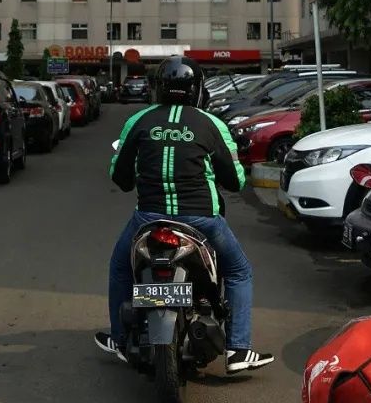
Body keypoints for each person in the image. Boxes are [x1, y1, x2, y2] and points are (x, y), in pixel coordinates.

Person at [95, 55, 274, 373]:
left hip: (148, 219)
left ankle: (120, 339)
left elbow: (120, 177)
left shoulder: (139, 121)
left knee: (121, 268)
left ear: (158, 88)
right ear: (197, 89)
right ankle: (238, 350)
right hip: (203, 220)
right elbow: (236, 179)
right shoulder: (211, 124)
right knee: (239, 271)